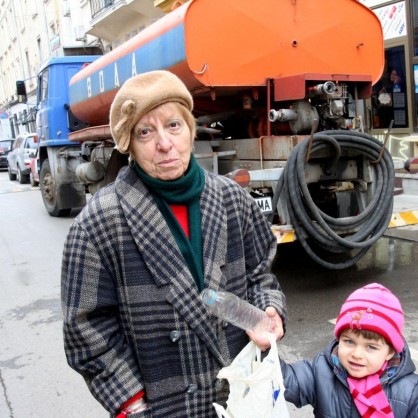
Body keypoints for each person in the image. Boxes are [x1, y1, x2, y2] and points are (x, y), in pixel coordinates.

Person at [61, 70, 287, 417]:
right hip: (162, 404)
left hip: (242, 395)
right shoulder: (98, 223)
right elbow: (85, 326)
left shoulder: (231, 199)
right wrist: (130, 401)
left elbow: (261, 275)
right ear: (130, 145)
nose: (164, 143)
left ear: (191, 129)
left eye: (174, 125)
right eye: (145, 132)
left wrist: (268, 309)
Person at [280, 283, 418, 417]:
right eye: (349, 341)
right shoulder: (320, 371)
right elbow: (284, 379)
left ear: (390, 352)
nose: (356, 354)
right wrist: (264, 348)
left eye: (371, 347)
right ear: (339, 339)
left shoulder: (411, 392)